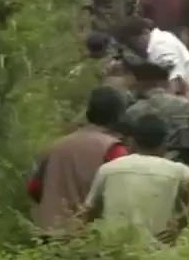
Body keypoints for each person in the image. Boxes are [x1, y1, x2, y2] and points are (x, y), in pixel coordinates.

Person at [78, 113, 189, 243]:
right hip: (157, 256)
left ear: (132, 141)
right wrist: (180, 223)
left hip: (113, 254)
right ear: (165, 143)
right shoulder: (175, 170)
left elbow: (87, 214)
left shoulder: (108, 169)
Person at [27, 87, 131, 238]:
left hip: (48, 235)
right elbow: (122, 195)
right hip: (89, 238)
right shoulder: (113, 149)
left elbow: (34, 189)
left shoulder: (55, 146)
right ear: (119, 116)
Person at [114, 16, 189, 109]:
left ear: (145, 33)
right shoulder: (160, 40)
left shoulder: (160, 46)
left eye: (132, 43)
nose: (133, 48)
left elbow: (175, 83)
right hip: (187, 104)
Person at [125, 61, 189, 168]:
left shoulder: (132, 111)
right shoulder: (184, 105)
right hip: (182, 165)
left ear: (140, 84)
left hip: (141, 167)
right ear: (165, 83)